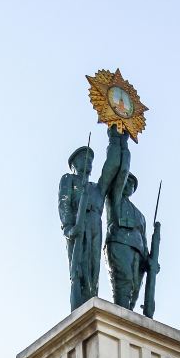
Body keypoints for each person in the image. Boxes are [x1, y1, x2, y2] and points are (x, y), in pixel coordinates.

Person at [58, 128, 130, 310]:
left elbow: (112, 166)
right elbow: (64, 204)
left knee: (93, 271)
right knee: (78, 271)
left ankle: (90, 301)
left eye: (90, 159)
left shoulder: (97, 188)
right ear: (74, 163)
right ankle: (78, 309)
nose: (88, 161)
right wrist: (68, 227)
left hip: (94, 225)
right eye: (83, 158)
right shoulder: (69, 180)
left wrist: (117, 140)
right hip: (78, 225)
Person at [104, 172, 150, 310]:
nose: (129, 184)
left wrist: (149, 260)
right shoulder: (114, 198)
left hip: (139, 251)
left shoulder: (140, 216)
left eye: (132, 184)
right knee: (124, 279)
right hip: (119, 242)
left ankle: (128, 316)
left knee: (135, 287)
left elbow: (145, 239)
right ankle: (121, 316)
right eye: (126, 181)